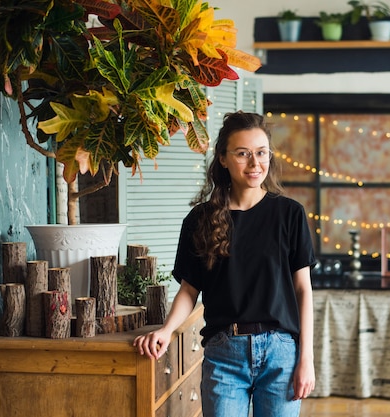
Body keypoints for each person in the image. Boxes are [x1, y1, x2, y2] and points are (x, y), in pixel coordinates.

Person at [134, 111, 316, 417]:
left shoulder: (290, 215)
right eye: (242, 154)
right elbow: (189, 290)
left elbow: (303, 291)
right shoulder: (200, 219)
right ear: (223, 158)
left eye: (261, 153)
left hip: (281, 353)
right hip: (224, 354)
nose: (255, 163)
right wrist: (165, 330)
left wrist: (306, 358)